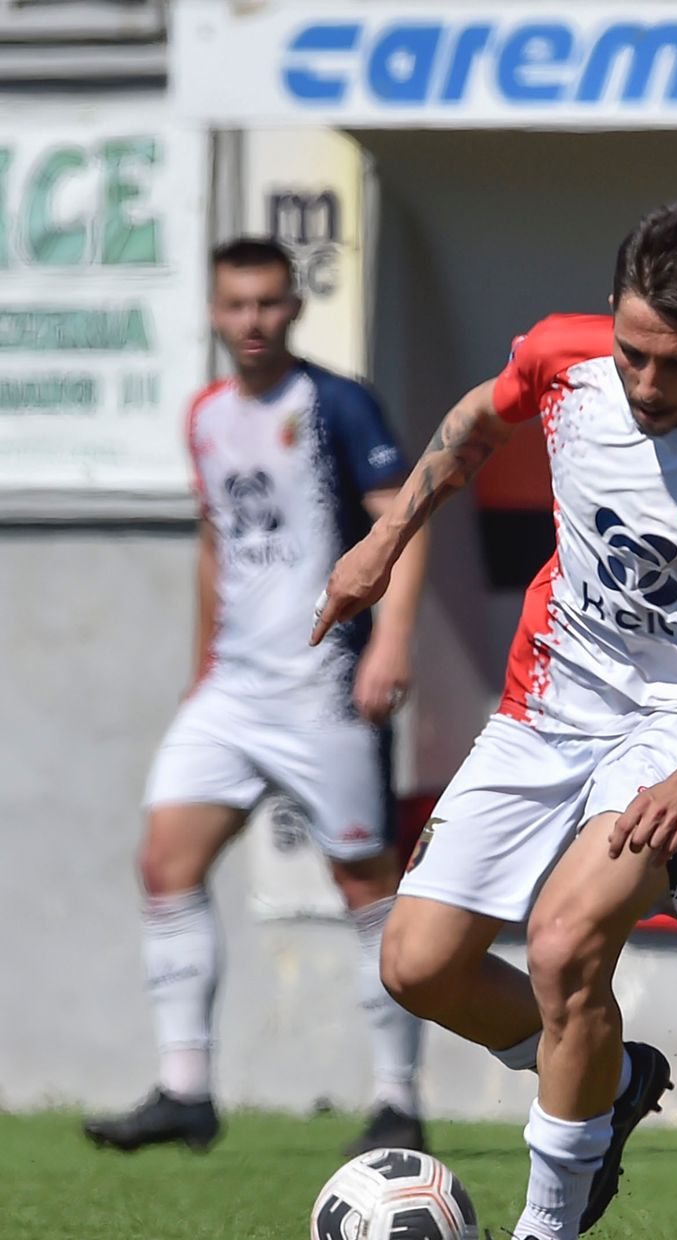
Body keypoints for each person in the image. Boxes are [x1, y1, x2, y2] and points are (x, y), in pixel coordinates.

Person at [310, 201, 677, 1240]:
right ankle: (610, 1082)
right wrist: (383, 537)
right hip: (546, 698)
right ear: (610, 318)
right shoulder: (562, 354)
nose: (649, 382)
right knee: (416, 961)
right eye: (633, 351)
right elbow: (474, 420)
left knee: (563, 940)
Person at [84, 238, 430, 1159]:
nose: (252, 322)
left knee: (366, 889)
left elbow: (401, 522)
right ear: (211, 309)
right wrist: (204, 666)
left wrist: (390, 641)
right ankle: (186, 1091)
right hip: (233, 691)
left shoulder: (337, 403)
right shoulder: (204, 415)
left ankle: (399, 1096)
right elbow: (215, 545)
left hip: (322, 688)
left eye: (269, 303)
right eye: (235, 304)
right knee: (165, 863)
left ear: (292, 307)